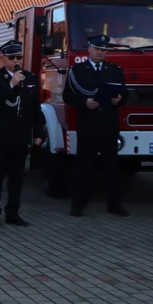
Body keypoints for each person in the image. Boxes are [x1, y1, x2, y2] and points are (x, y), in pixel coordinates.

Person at [62, 34, 130, 217]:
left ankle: (114, 205)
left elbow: (124, 92)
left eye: (104, 50)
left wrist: (119, 99)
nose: (101, 53)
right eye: (98, 49)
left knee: (112, 169)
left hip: (109, 126)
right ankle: (78, 205)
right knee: (85, 168)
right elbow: (68, 96)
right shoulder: (78, 71)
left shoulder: (114, 70)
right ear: (89, 50)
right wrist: (84, 102)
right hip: (89, 126)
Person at [0, 40, 45, 227]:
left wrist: (37, 133)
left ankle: (13, 212)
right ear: (3, 58)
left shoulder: (30, 78)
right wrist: (11, 83)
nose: (15, 61)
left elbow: (35, 108)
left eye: (18, 57)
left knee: (17, 178)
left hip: (19, 135)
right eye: (11, 58)